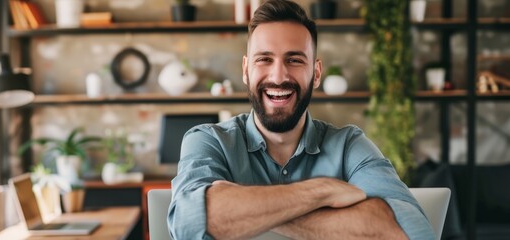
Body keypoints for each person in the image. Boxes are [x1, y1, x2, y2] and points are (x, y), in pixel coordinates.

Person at [168, 0, 434, 239]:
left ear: (316, 73)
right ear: (246, 71)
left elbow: (412, 232)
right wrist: (321, 192)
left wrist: (243, 210)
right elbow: (187, 222)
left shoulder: (349, 145)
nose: (279, 76)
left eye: (294, 59)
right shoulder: (208, 140)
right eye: (264, 59)